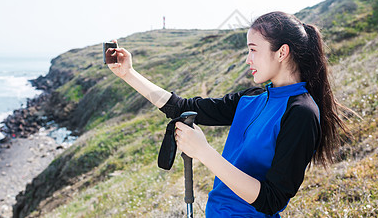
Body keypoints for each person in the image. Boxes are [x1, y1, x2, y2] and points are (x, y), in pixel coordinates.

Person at [107, 11, 351, 217]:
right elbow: (180, 107)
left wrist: (203, 152)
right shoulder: (253, 98)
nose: (248, 59)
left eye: (253, 49)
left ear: (282, 52)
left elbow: (271, 200)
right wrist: (128, 74)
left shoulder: (302, 113)